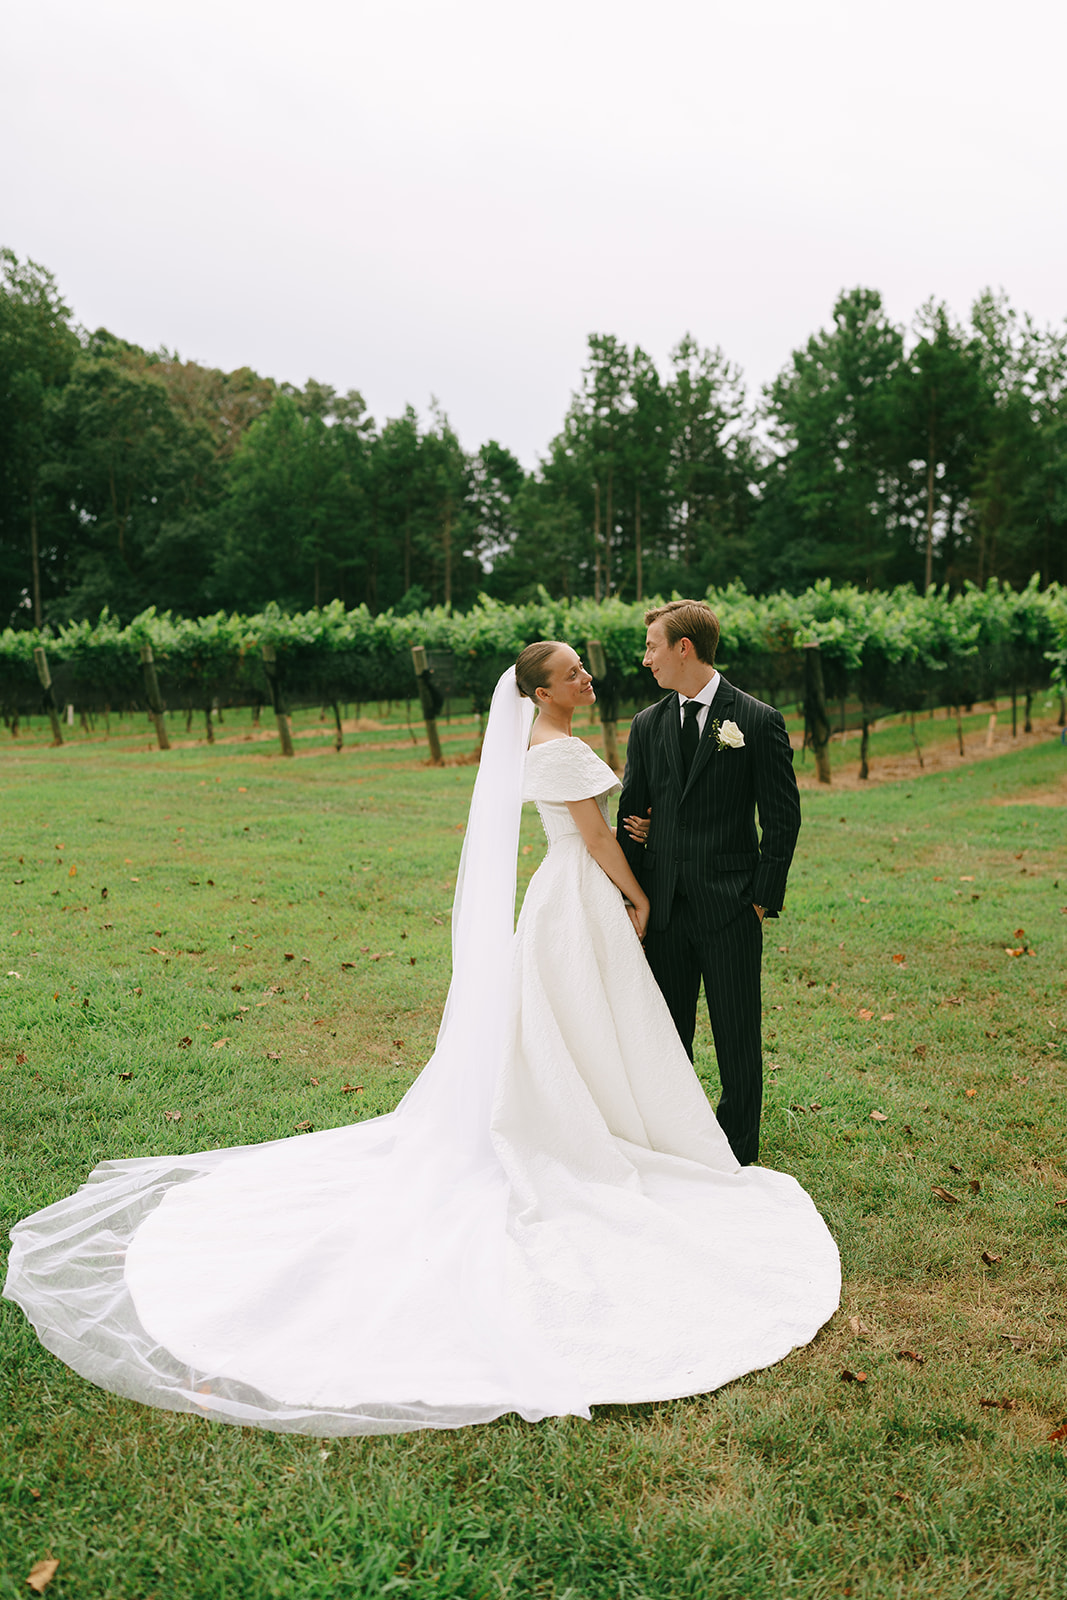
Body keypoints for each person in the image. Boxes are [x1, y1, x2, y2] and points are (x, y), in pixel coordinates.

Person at [4, 644, 837, 1437]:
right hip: (583, 890)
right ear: (541, 691)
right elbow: (592, 836)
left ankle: (612, 1111)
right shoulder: (560, 748)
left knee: (576, 1017)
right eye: (573, 670)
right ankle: (604, 1123)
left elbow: (610, 824)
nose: (590, 675)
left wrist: (640, 855)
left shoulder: (552, 739)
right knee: (584, 1012)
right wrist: (639, 893)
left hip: (563, 893)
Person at [618, 601, 801, 1167]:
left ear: (684, 648)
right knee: (667, 1034)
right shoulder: (647, 724)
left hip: (730, 907)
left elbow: (782, 816)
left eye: (652, 646)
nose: (645, 658)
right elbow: (632, 814)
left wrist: (761, 900)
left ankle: (738, 1147)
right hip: (665, 905)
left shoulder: (756, 719)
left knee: (737, 1034)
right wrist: (633, 897)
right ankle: (675, 1139)